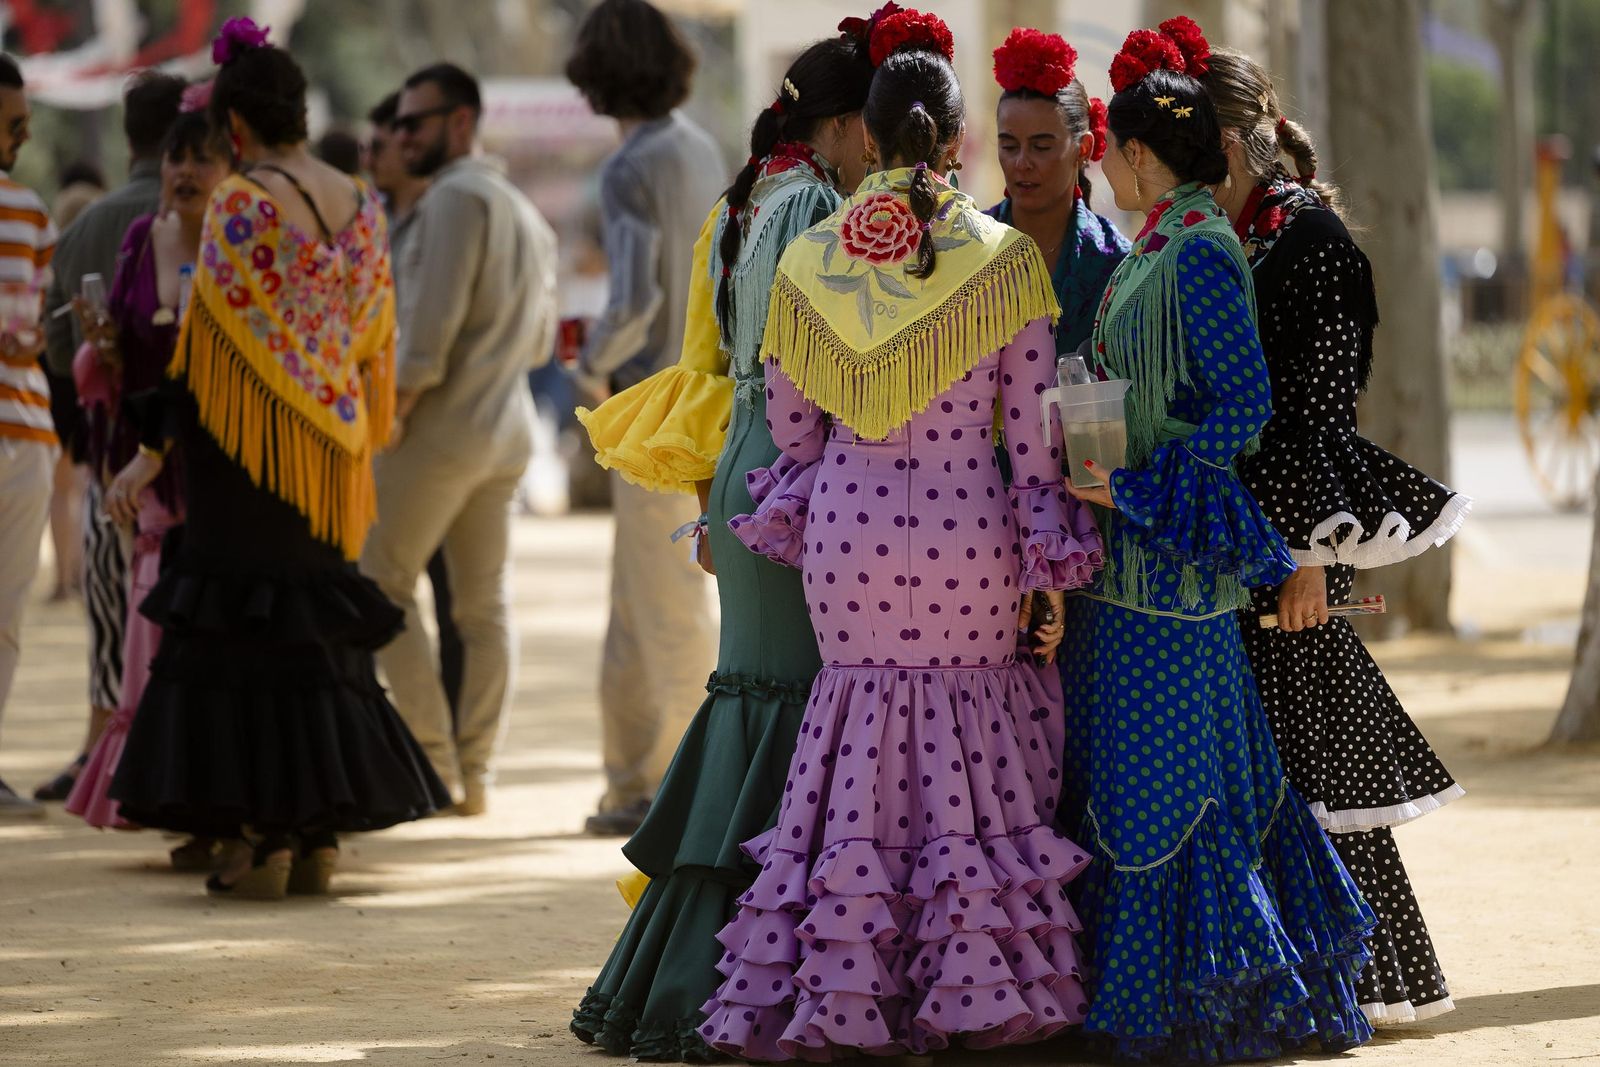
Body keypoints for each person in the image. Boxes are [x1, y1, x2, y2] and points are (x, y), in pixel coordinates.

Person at [699, 11, 1104, 1058]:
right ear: (960, 141)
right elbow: (1032, 433)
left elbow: (791, 427)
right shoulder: (1006, 258)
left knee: (858, 746)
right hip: (972, 530)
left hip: (849, 532)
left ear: (869, 141)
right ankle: (980, 990)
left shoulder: (814, 260)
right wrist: (1049, 558)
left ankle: (849, 993)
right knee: (970, 747)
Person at [1056, 22, 1375, 1061]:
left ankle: (1206, 1005)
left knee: (1167, 792)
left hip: (1172, 573)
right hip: (1129, 563)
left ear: (1144, 155)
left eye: (1111, 143)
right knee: (1147, 785)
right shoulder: (1162, 235)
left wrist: (1143, 478)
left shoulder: (1196, 248)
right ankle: (1158, 1001)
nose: (1101, 157)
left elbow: (1242, 405)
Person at [571, 25, 876, 1061]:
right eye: (872, 127)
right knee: (789, 714)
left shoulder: (752, 197)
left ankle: (700, 972)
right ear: (839, 126)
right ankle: (746, 986)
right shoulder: (814, 208)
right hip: (791, 461)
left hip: (748, 453)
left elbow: (720, 364)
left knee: (759, 702)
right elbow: (810, 368)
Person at [107, 18, 449, 899]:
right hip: (331, 449)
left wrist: (150, 451)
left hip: (244, 449)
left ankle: (260, 838)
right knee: (311, 631)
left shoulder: (240, 201)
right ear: (298, 111)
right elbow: (374, 329)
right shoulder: (362, 202)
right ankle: (316, 835)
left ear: (236, 129)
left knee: (241, 631)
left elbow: (205, 347)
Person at [1203, 46, 1470, 1026]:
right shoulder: (1222, 233)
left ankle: (1342, 986)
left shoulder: (1306, 239)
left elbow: (1320, 410)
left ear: (1226, 142)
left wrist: (1311, 558)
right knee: (1255, 764)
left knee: (1308, 769)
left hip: (1294, 545)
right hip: (1233, 542)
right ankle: (1271, 989)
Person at [360, 62, 558, 816]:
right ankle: (474, 773)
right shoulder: (517, 206)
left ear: (461, 122)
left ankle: (434, 762)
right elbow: (541, 344)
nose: (401, 135)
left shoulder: (452, 201)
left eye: (414, 123)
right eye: (398, 125)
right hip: (507, 426)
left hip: (443, 424)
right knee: (483, 607)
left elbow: (425, 338)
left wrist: (396, 412)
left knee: (378, 584)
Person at [565, 0, 723, 837]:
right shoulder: (699, 146)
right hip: (702, 402)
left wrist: (587, 362)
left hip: (651, 412)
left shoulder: (631, 164)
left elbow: (635, 298)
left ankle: (657, 783)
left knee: (652, 609)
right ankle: (638, 776)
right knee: (659, 604)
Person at [64, 108, 232, 850]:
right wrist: (102, 343)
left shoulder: (239, 250)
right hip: (150, 476)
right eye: (176, 158)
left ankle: (210, 807)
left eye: (202, 158)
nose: (185, 173)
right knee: (150, 633)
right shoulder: (140, 241)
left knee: (208, 640)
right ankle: (168, 801)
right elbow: (124, 362)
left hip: (222, 474)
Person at [33, 71, 185, 805]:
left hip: (113, 455)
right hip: (196, 462)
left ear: (127, 135)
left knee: (112, 611)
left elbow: (59, 356)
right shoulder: (216, 214)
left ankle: (105, 750)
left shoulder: (88, 225)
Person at [364, 90, 461, 724]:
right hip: (393, 436)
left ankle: (441, 746)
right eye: (382, 137)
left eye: (402, 131)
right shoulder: (379, 222)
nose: (392, 146)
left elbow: (426, 338)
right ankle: (429, 742)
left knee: (450, 598)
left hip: (425, 433)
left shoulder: (444, 211)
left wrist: (393, 411)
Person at [988, 27, 1128, 355]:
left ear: (1084, 148)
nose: (1022, 163)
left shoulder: (1115, 264)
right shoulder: (969, 250)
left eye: (1041, 146)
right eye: (1009, 145)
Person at [0, 53, 60, 819]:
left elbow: (32, 328)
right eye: (11, 119)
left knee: (7, 609)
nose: (23, 132)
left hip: (25, 431)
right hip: (25, 438)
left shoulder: (33, 212)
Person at [43, 161, 106, 605]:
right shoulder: (101, 255)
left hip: (54, 378)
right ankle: (85, 572)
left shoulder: (50, 263)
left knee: (58, 487)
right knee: (87, 482)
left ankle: (63, 578)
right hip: (89, 379)